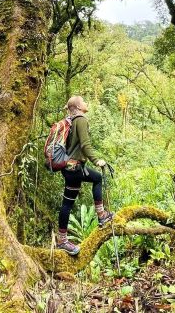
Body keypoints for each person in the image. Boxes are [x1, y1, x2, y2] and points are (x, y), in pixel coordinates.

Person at [56, 95, 114, 256]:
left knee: (95, 179)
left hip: (71, 168)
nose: (86, 102)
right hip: (74, 169)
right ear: (79, 107)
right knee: (68, 203)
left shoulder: (71, 121)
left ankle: (101, 215)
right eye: (84, 101)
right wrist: (97, 161)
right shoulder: (80, 120)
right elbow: (85, 144)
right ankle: (62, 240)